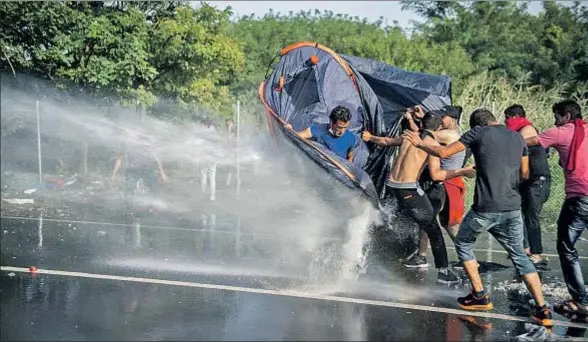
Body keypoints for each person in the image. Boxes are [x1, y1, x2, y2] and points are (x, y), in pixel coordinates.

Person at [403, 109, 553, 327]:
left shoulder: (477, 133)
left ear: (476, 126)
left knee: (463, 243)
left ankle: (479, 295)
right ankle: (542, 309)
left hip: (486, 207)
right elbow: (524, 174)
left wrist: (419, 143)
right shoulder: (517, 137)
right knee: (519, 255)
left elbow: (443, 154)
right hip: (512, 207)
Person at [363, 110, 474, 284]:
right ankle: (444, 272)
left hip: (391, 185)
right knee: (433, 228)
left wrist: (370, 137)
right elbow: (436, 175)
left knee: (402, 218)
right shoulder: (430, 145)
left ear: (421, 124)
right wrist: (464, 171)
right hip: (407, 189)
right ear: (438, 128)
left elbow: (385, 141)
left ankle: (374, 250)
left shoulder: (409, 136)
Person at [523, 100, 587, 322]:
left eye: (557, 116)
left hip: (580, 198)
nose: (554, 121)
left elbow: (528, 141)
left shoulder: (561, 132)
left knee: (566, 247)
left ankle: (581, 301)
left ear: (566, 116)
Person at [402, 106, 469, 269]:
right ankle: (465, 257)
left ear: (452, 120)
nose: (440, 120)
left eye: (443, 117)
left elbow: (423, 135)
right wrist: (424, 117)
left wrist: (411, 120)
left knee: (430, 220)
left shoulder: (448, 134)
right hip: (448, 182)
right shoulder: (454, 132)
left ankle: (422, 256)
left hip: (443, 183)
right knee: (446, 224)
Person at [504, 104, 551, 265]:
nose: (506, 122)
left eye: (507, 118)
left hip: (538, 180)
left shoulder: (528, 129)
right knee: (520, 214)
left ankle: (536, 253)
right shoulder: (519, 131)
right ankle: (524, 249)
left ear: (515, 117)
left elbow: (514, 146)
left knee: (532, 217)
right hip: (527, 180)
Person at [110, 128, 168, 221]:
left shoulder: (145, 142)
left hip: (148, 169)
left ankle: (150, 207)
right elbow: (119, 159)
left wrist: (162, 172)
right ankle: (129, 211)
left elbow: (155, 157)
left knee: (154, 188)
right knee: (129, 189)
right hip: (132, 170)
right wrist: (113, 175)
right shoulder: (125, 143)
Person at [286, 106, 357, 162]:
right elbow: (298, 136)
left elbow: (350, 154)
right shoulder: (319, 130)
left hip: (338, 172)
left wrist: (349, 162)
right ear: (331, 122)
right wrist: (290, 130)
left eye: (345, 127)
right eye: (340, 127)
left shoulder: (351, 137)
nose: (342, 131)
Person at [199, 119, 217, 201]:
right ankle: (212, 196)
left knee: (203, 176)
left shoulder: (203, 133)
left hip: (204, 157)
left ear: (204, 124)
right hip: (213, 158)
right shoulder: (214, 132)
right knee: (212, 178)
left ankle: (202, 194)